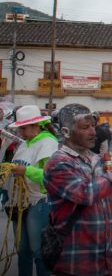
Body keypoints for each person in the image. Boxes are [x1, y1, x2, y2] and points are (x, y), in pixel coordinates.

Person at [44, 112, 112, 276]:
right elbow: (86, 194)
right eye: (85, 127)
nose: (93, 132)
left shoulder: (97, 159)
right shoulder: (59, 162)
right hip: (76, 263)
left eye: (93, 126)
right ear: (66, 132)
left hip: (105, 259)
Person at [3, 105, 59, 276]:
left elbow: (51, 177)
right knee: (22, 251)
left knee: (38, 252)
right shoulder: (25, 144)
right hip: (20, 202)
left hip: (39, 202)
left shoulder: (48, 143)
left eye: (23, 128)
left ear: (36, 126)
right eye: (20, 128)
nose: (21, 131)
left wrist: (25, 171)